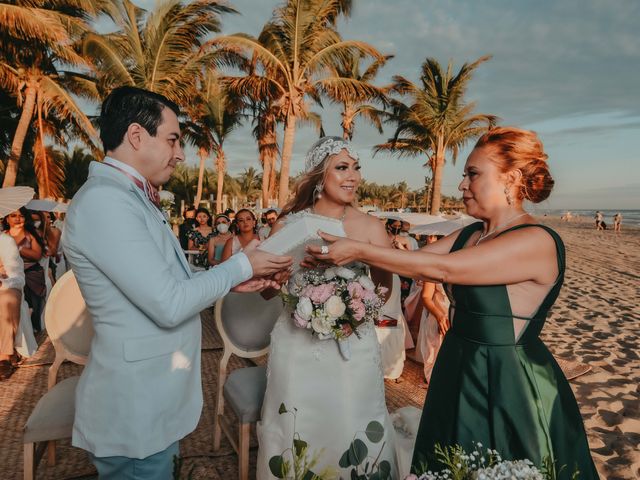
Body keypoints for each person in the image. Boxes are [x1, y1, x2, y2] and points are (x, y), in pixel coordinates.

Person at [308, 127, 598, 479]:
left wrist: (355, 248)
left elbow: (442, 268)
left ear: (512, 178)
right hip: (457, 368)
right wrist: (337, 217)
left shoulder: (536, 240)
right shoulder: (470, 234)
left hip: (507, 380)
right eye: (464, 174)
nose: (462, 184)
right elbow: (401, 262)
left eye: (473, 174)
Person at [63, 86, 292, 480]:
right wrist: (241, 265)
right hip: (136, 411)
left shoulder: (129, 198)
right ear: (137, 136)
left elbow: (167, 282)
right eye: (172, 139)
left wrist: (231, 282)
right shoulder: (106, 202)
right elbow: (169, 303)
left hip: (152, 402)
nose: (180, 153)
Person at [256, 137, 399, 478]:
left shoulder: (371, 227)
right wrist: (282, 278)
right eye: (342, 167)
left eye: (356, 168)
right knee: (296, 422)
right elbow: (264, 293)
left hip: (353, 346)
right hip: (296, 343)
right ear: (319, 176)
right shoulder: (288, 224)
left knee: (352, 420)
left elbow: (384, 286)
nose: (353, 176)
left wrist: (357, 313)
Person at [0, 231, 37, 380]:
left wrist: (2, 282)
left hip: (5, 287)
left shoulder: (5, 241)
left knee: (7, 300)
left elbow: (17, 278)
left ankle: (4, 356)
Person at [2, 209, 46, 332]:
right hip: (10, 274)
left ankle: (34, 325)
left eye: (21, 216)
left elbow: (37, 255)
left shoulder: (31, 234)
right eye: (13, 216)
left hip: (31, 272)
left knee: (34, 302)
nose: (17, 219)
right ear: (7, 219)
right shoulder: (3, 236)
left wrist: (16, 247)